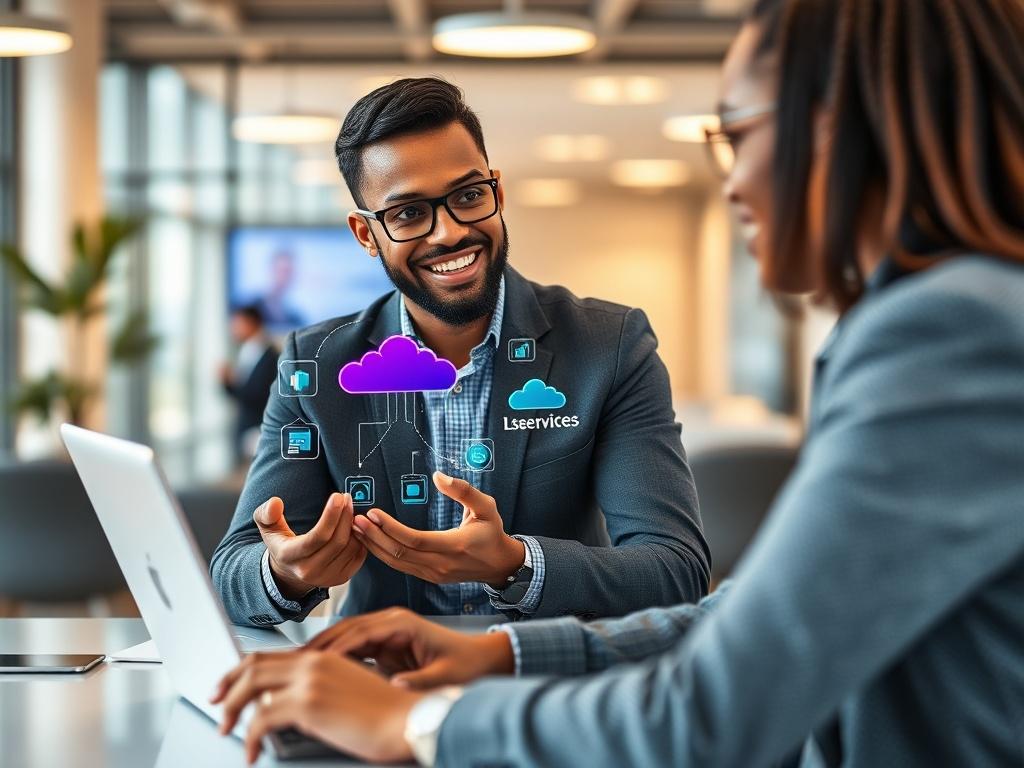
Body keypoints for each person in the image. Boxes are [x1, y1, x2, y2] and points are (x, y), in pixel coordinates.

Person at [211, 0, 1024, 764]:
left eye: (737, 133)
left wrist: (417, 720)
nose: (731, 180)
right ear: (368, 231)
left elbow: (707, 704)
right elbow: (736, 618)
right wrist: (497, 653)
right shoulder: (948, 319)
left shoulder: (946, 335)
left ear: (842, 131)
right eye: (411, 213)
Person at [210, 77, 710, 628]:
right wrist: (285, 572)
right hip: (383, 680)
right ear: (365, 233)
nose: (450, 233)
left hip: (549, 682)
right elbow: (233, 570)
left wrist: (518, 565)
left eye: (469, 196)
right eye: (407, 214)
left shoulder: (608, 346)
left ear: (496, 189)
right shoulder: (316, 362)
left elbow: (675, 569)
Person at [219, 304, 279, 463]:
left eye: (237, 323)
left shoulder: (271, 355)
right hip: (247, 426)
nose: (233, 329)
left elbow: (259, 394)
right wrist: (228, 383)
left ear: (251, 322)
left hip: (259, 428)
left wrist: (232, 382)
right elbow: (242, 394)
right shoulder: (246, 350)